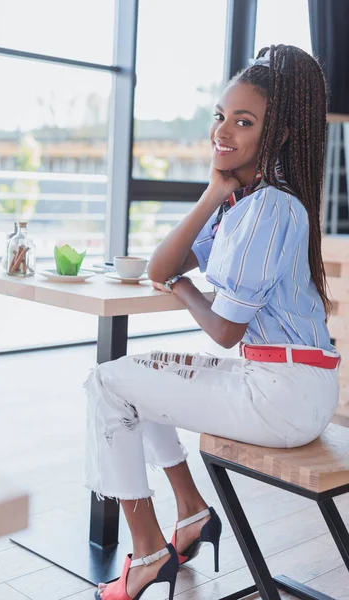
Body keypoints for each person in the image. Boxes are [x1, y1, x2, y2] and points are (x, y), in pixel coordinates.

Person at [84, 44, 340, 600]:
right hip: (279, 384)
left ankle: (149, 553)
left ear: (278, 136)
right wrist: (212, 191)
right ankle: (191, 512)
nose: (223, 130)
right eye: (220, 116)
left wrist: (183, 287)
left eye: (243, 122)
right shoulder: (240, 203)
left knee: (108, 384)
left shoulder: (273, 206)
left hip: (284, 395)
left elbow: (226, 329)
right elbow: (159, 266)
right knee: (135, 373)